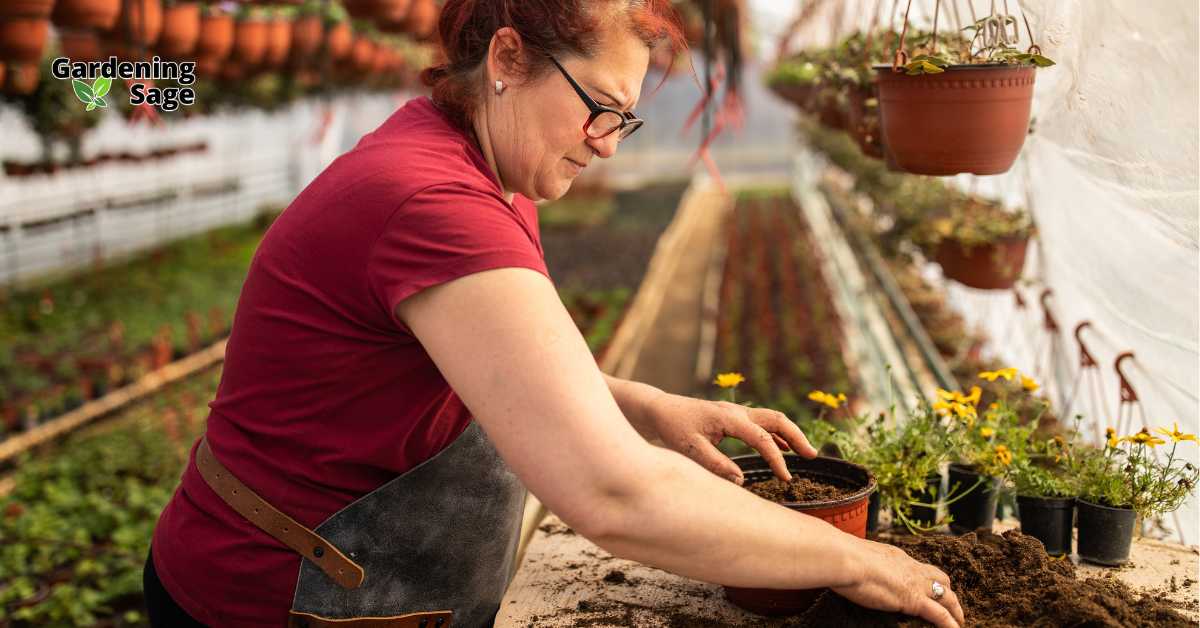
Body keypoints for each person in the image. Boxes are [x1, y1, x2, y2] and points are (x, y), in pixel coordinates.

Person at [145, 1, 966, 627]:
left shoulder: (483, 164)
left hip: (360, 574)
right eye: (599, 106)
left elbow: (494, 362)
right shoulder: (435, 202)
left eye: (626, 117)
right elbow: (612, 495)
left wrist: (651, 406)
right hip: (273, 593)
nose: (610, 142)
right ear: (509, 56)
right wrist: (853, 561)